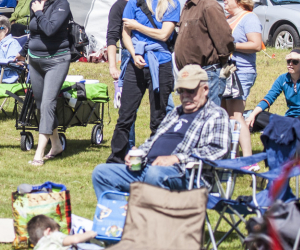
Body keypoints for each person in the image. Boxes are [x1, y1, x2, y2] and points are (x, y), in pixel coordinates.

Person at [91, 65, 229, 199]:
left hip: (187, 174)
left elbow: (217, 150)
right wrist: (140, 153)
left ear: (205, 89)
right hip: (148, 168)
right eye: (181, 91)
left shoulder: (215, 114)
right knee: (101, 173)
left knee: (155, 175)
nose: (185, 95)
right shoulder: (176, 113)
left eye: (191, 91)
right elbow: (155, 140)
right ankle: (121, 218)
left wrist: (176, 158)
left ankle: (148, 218)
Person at [109, 0, 179, 164]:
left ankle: (155, 158)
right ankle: (116, 159)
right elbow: (125, 33)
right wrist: (133, 53)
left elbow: (164, 35)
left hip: (162, 63)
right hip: (136, 62)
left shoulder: (172, 4)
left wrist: (138, 26)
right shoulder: (134, 2)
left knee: (158, 118)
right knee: (125, 115)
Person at [28, 0, 72, 166]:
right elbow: (34, 32)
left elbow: (50, 29)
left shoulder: (62, 4)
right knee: (40, 105)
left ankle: (39, 154)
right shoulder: (34, 3)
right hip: (34, 60)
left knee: (48, 103)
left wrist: (38, 12)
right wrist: (23, 53)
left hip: (57, 59)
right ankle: (56, 145)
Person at [173, 0, 234, 108]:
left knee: (208, 118)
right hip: (189, 73)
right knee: (193, 117)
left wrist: (219, 64)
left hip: (207, 73)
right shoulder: (189, 5)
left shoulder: (209, 5)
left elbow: (224, 40)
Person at [222, 0, 263, 159]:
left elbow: (256, 45)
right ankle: (233, 156)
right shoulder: (227, 18)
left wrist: (232, 46)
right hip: (226, 72)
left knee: (236, 115)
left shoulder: (249, 18)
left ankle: (247, 159)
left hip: (242, 72)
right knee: (225, 115)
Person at [106, 0, 143, 151]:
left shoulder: (147, 2)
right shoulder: (119, 6)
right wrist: (113, 66)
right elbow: (112, 38)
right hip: (129, 57)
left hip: (152, 55)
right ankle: (129, 148)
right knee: (129, 108)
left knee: (165, 105)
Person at [245, 49, 300, 134]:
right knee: (256, 115)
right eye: (288, 61)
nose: (290, 64)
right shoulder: (282, 79)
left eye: (295, 61)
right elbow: (269, 98)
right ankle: (288, 127)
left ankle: (283, 127)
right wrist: (253, 115)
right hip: (290, 118)